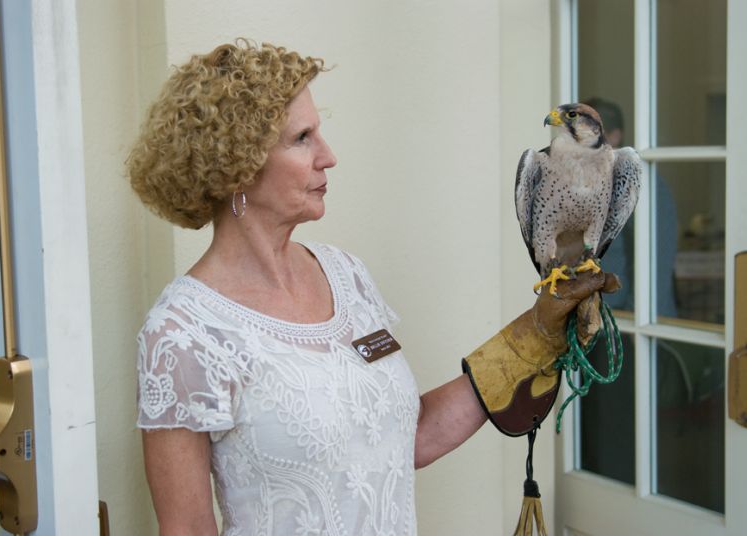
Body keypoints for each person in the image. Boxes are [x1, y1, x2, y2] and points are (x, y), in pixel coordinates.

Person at [127, 40, 613, 536]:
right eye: (302, 138)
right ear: (236, 165)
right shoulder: (183, 332)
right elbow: (185, 528)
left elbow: (407, 435)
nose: (329, 156)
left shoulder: (345, 275)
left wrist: (534, 336)